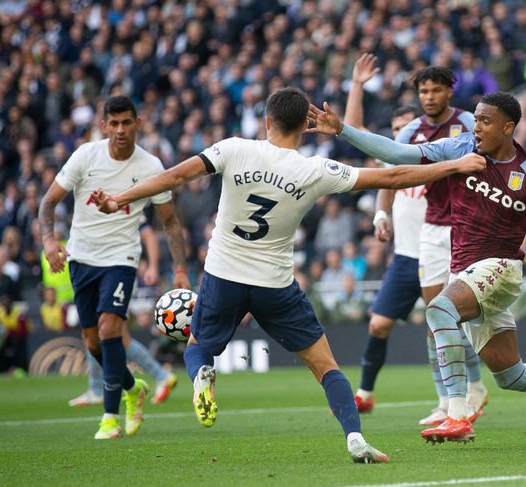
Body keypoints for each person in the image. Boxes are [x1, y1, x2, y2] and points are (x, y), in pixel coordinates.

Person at [92, 87, 486, 463]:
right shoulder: (315, 169)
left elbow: (175, 177)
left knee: (197, 345)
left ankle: (203, 374)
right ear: (303, 127)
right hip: (275, 284)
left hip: (223, 274)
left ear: (266, 122)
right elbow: (392, 177)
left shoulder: (233, 149)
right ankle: (355, 438)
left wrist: (119, 198)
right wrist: (454, 165)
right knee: (326, 367)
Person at [310, 91, 526, 445]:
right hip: (466, 274)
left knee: (439, 309)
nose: (476, 128)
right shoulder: (460, 149)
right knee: (510, 373)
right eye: (475, 120)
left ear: (508, 127)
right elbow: (397, 155)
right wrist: (342, 131)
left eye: (485, 122)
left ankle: (457, 415)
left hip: (501, 269)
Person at [38, 95, 191, 440]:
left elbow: (169, 222)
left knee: (109, 330)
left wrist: (179, 268)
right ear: (103, 125)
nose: (120, 130)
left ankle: (109, 418)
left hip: (121, 259)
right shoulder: (85, 156)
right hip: (81, 258)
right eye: (114, 124)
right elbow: (48, 203)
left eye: (127, 123)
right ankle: (132, 388)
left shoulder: (151, 166)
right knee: (92, 343)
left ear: (138, 123)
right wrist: (49, 241)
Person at [393, 65, 487, 426]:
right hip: (433, 229)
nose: (429, 97)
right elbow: (392, 171)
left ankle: (472, 388)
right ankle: (446, 400)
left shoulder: (471, 124)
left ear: (450, 90)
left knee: (463, 318)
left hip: (468, 227)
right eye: (423, 92)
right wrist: (381, 215)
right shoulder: (410, 131)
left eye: (435, 90)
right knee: (435, 318)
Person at [341, 55, 432, 420]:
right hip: (407, 258)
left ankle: (462, 397)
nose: (399, 135)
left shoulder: (436, 158)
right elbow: (353, 129)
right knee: (378, 324)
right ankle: (365, 392)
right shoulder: (393, 161)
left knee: (443, 330)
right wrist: (358, 86)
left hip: (442, 256)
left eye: (406, 127)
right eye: (395, 129)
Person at [69, 222, 179, 407]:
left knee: (108, 333)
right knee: (102, 334)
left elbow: (148, 233)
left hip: (115, 275)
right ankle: (99, 388)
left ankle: (98, 389)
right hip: (105, 273)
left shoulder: (122, 200)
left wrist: (153, 266)